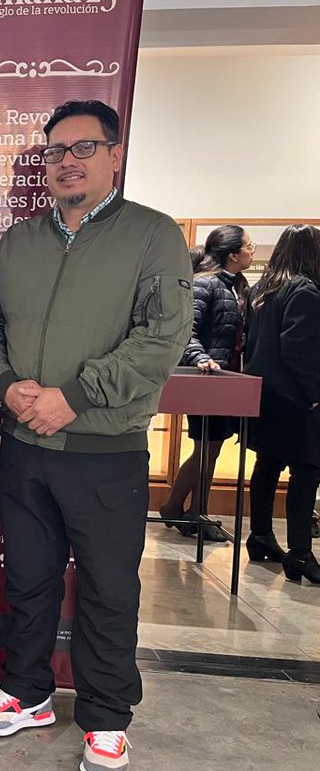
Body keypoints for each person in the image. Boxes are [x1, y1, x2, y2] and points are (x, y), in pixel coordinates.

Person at [0, 99, 192, 771]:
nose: (67, 161)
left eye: (84, 148)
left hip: (105, 451)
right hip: (24, 448)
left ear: (115, 155)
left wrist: (75, 396)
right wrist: (7, 385)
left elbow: (161, 339)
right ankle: (29, 693)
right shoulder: (20, 240)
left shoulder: (153, 237)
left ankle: (104, 719)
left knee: (105, 590)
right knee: (30, 582)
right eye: (56, 151)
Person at [159, 226, 255, 543]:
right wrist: (201, 358)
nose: (252, 252)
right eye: (248, 247)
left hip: (222, 382)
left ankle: (195, 512)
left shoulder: (234, 285)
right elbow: (188, 329)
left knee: (211, 448)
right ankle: (175, 506)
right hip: (206, 380)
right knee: (205, 448)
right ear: (232, 255)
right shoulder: (205, 283)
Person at [243, 224, 320, 584]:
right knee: (306, 471)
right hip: (296, 397)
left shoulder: (262, 288)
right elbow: (299, 350)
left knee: (268, 464)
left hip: (264, 394)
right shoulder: (304, 290)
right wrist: (315, 393)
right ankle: (301, 552)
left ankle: (260, 535)